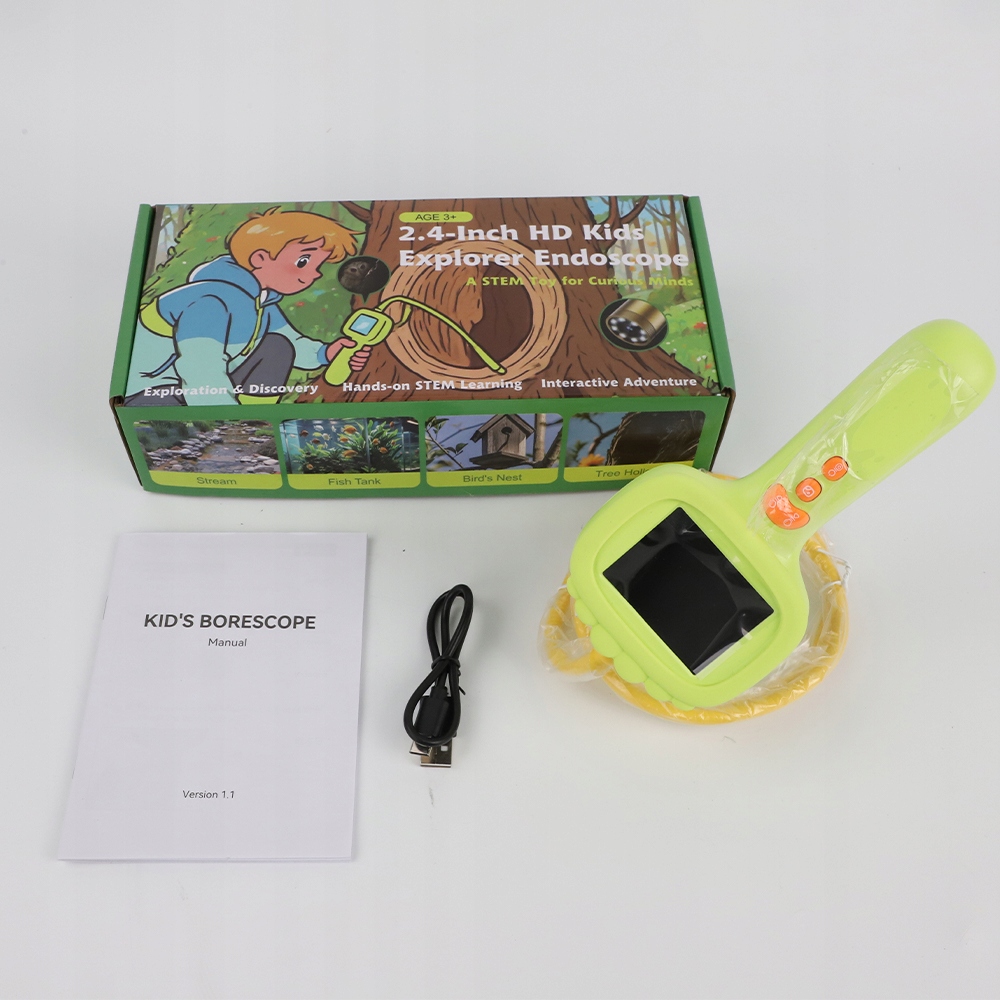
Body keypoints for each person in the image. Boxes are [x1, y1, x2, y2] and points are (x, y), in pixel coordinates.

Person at [125, 208, 371, 406]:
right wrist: (224, 416)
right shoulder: (211, 300)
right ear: (259, 259)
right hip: (154, 392)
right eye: (303, 261)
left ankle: (259, 415)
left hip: (201, 384)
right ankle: (238, 420)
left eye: (317, 265)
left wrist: (326, 353)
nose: (315, 274)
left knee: (278, 346)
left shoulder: (262, 301)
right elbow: (200, 367)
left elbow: (292, 341)